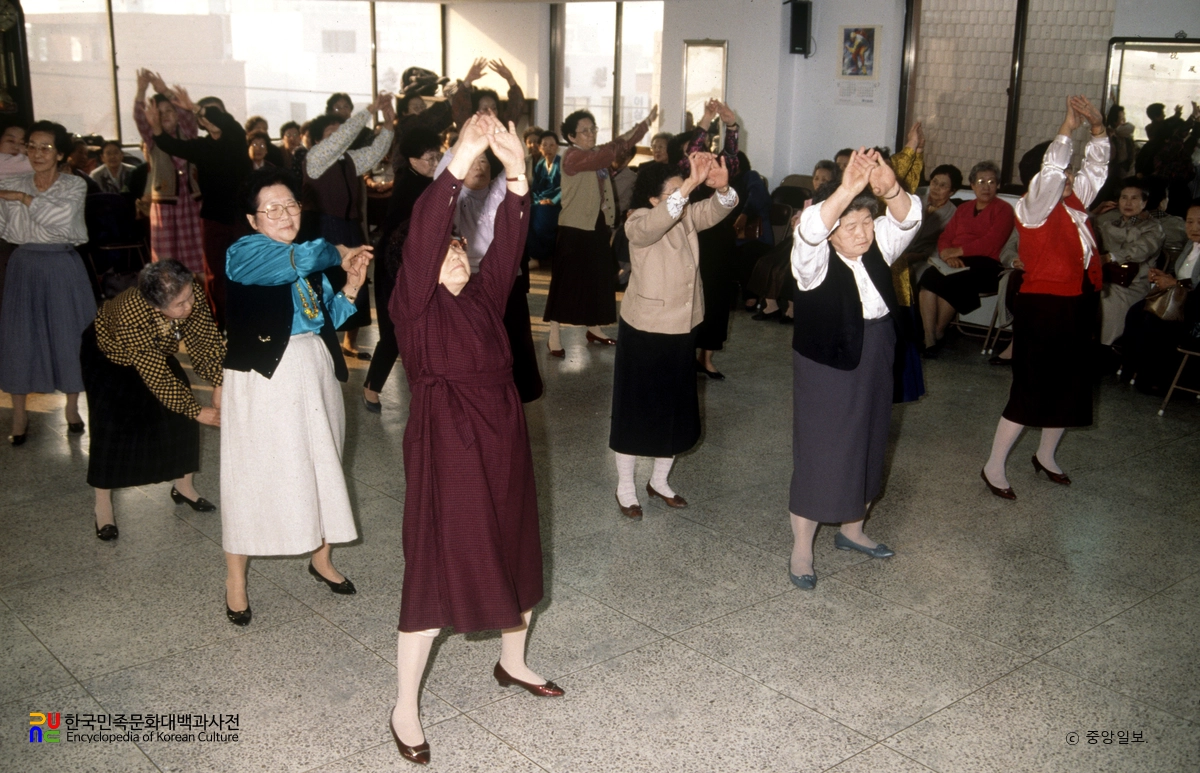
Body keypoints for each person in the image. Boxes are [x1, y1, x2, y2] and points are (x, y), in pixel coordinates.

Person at [388, 114, 559, 766]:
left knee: (513, 549)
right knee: (439, 567)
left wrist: (517, 176)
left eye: (461, 245)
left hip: (502, 440)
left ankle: (512, 662)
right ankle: (405, 705)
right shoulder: (415, 308)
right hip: (448, 446)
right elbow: (431, 225)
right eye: (445, 248)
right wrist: (459, 161)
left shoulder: (485, 301)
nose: (455, 249)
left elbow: (511, 246)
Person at [219, 167, 373, 626]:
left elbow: (324, 316)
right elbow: (308, 259)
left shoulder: (302, 259)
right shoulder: (245, 253)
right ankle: (235, 580)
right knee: (253, 476)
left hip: (314, 372)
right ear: (252, 220)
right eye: (271, 209)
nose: (284, 215)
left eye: (291, 206)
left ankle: (320, 558)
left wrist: (350, 287)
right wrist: (340, 249)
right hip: (267, 380)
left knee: (322, 466)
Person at [786, 148, 920, 590]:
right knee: (823, 449)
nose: (863, 233)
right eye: (850, 224)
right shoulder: (813, 260)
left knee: (869, 437)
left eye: (867, 222)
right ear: (832, 229)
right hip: (827, 362)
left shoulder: (876, 243)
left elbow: (907, 219)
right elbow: (809, 231)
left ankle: (852, 529)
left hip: (877, 349)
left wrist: (889, 188)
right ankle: (802, 549)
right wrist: (845, 189)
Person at [981, 96, 1108, 500]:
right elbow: (1052, 172)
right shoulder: (1033, 208)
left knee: (1070, 386)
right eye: (1061, 172)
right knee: (1031, 387)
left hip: (1079, 304)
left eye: (1070, 174)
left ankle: (1046, 456)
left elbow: (1097, 169)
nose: (1068, 177)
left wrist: (1099, 130)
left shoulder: (1075, 203)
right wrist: (1067, 130)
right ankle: (993, 465)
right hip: (1043, 307)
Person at [612, 153, 738, 519]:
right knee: (635, 412)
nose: (683, 196)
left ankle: (660, 481)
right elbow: (652, 226)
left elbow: (718, 210)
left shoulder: (683, 215)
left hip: (683, 327)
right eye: (672, 191)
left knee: (673, 409)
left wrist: (722, 186)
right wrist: (686, 186)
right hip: (646, 329)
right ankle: (625, 486)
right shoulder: (637, 221)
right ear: (654, 199)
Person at [83, 260, 223, 540]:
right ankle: (103, 507)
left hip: (154, 350)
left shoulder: (185, 292)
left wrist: (218, 380)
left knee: (180, 418)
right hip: (108, 356)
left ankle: (184, 488)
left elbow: (205, 339)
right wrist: (197, 410)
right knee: (111, 426)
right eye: (180, 305)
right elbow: (156, 375)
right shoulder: (131, 313)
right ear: (156, 306)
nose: (189, 306)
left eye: (190, 297)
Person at [430, 123, 543, 402]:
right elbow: (440, 176)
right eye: (473, 162)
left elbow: (516, 171)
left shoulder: (497, 192)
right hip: (468, 278)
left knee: (514, 337)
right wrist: (461, 146)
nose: (479, 167)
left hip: (504, 277)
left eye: (485, 162)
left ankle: (520, 393)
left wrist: (510, 145)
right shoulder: (455, 199)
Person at [0, 120, 95, 445]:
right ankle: (19, 414)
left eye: (46, 147)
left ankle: (71, 408)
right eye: (32, 146)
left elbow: (62, 222)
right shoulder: (12, 180)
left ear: (60, 154)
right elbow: (6, 227)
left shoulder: (74, 186)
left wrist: (23, 200)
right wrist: (14, 196)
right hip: (23, 266)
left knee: (69, 336)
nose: (37, 153)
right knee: (19, 339)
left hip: (62, 266)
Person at [543, 106, 657, 355]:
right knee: (566, 282)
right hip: (573, 227)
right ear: (571, 137)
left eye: (592, 128)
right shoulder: (572, 157)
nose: (590, 133)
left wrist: (645, 124)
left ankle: (594, 328)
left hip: (597, 224)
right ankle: (553, 335)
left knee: (598, 278)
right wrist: (619, 144)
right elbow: (609, 153)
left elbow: (620, 144)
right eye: (584, 130)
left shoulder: (595, 154)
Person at [302, 92, 395, 359]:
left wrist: (388, 124)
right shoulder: (316, 157)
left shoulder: (349, 159)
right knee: (326, 287)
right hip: (322, 230)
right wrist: (369, 110)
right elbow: (343, 138)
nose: (340, 137)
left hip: (350, 229)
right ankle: (323, 343)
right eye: (332, 134)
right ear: (319, 140)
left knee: (356, 281)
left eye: (341, 133)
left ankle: (349, 342)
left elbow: (377, 150)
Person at [151, 85, 253, 325]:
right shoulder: (202, 147)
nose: (208, 118)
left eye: (213, 113)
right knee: (215, 275)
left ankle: (249, 322)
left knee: (246, 271)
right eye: (203, 116)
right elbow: (168, 143)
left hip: (241, 218)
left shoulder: (237, 137)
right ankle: (220, 325)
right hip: (213, 218)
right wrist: (156, 122)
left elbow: (223, 122)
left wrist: (196, 107)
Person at [363, 128, 442, 412]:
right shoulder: (412, 185)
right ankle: (372, 390)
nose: (435, 164)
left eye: (438, 157)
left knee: (412, 332)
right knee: (394, 333)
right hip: (394, 268)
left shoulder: (419, 179)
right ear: (411, 159)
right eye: (429, 158)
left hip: (412, 266)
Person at [918, 159, 1015, 354]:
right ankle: (928, 338)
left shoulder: (1003, 209)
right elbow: (946, 236)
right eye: (980, 182)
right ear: (972, 185)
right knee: (928, 278)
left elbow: (991, 243)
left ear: (998, 185)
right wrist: (946, 254)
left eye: (991, 182)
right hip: (954, 261)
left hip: (987, 264)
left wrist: (958, 252)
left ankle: (938, 331)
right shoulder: (963, 209)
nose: (986, 187)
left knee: (956, 280)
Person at [132, 70, 205, 276]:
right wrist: (141, 90)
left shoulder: (188, 132)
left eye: (169, 111)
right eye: (159, 112)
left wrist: (164, 90)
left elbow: (188, 114)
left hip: (192, 203)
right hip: (164, 205)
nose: (165, 116)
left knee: (196, 261)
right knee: (166, 264)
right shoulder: (152, 137)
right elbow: (139, 118)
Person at [1094, 177, 1165, 346]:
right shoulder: (1110, 222)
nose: (1128, 203)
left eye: (1134, 198)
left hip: (1132, 284)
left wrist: (1110, 257)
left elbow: (1140, 250)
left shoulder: (1153, 227)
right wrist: (1094, 213)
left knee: (1108, 301)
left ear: (1145, 202)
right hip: (1106, 279)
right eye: (1124, 197)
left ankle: (1109, 349)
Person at [450, 58, 526, 128]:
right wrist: (468, 80)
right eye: (485, 109)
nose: (491, 112)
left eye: (494, 108)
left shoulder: (503, 127)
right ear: (474, 112)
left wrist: (510, 79)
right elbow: (459, 105)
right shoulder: (467, 127)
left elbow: (517, 106)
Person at [528, 130, 562, 267]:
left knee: (542, 217)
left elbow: (567, 188)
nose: (548, 148)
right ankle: (534, 256)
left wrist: (553, 200)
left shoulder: (562, 164)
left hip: (558, 203)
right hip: (540, 203)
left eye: (551, 145)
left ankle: (544, 256)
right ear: (540, 147)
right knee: (525, 214)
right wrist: (537, 201)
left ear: (557, 146)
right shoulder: (540, 165)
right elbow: (535, 189)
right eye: (544, 145)